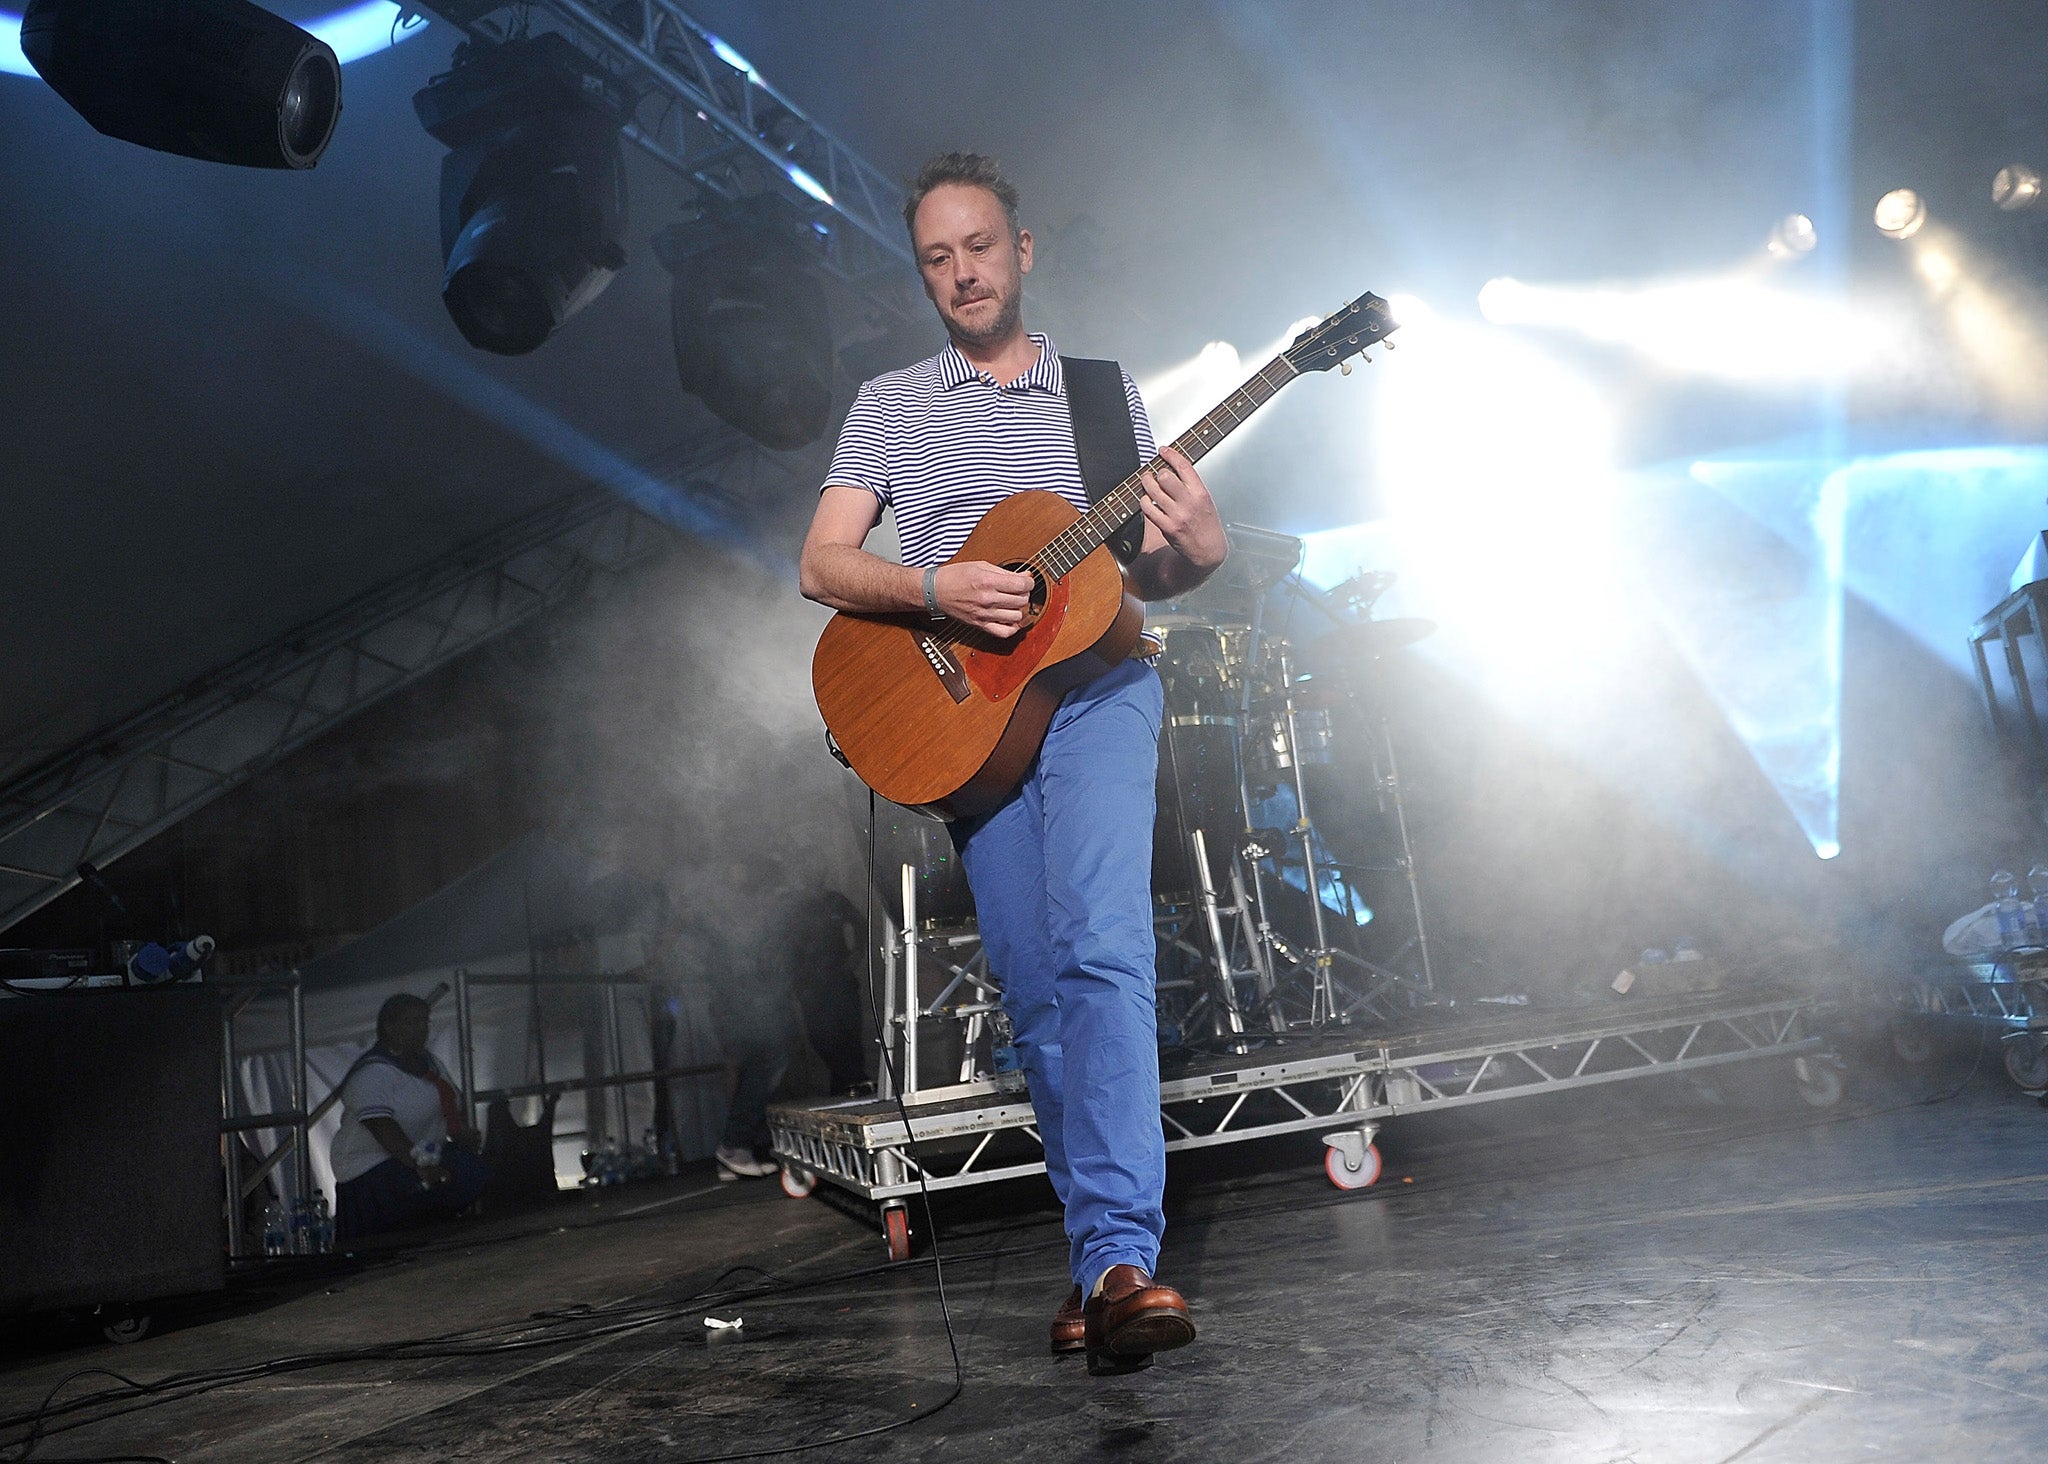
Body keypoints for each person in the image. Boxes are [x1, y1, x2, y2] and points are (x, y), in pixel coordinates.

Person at [799, 152, 1228, 1373]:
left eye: (978, 247)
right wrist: (937, 583)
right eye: (936, 258)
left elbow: (1133, 577)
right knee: (1037, 1002)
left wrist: (1198, 546)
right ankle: (1098, 1261)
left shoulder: (1102, 396)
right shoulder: (888, 403)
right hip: (969, 727)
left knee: (1101, 946)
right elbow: (821, 564)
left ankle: (1116, 1262)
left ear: (1022, 248)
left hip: (1093, 695)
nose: (961, 274)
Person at [329, 993, 491, 1243]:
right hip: (373, 1170)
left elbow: (452, 1103)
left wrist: (461, 1132)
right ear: (388, 1027)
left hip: (423, 1157)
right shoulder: (371, 1073)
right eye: (411, 1022)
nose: (421, 1029)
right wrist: (420, 1165)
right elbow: (382, 1127)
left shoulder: (430, 1064)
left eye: (424, 1022)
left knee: (472, 1169)